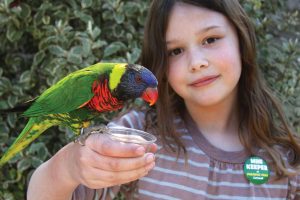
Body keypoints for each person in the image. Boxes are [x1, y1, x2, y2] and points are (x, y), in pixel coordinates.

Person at [27, 0, 300, 199]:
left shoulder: (287, 165)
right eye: (176, 51)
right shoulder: (137, 136)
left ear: (242, 39)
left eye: (211, 39)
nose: (196, 63)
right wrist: (68, 167)